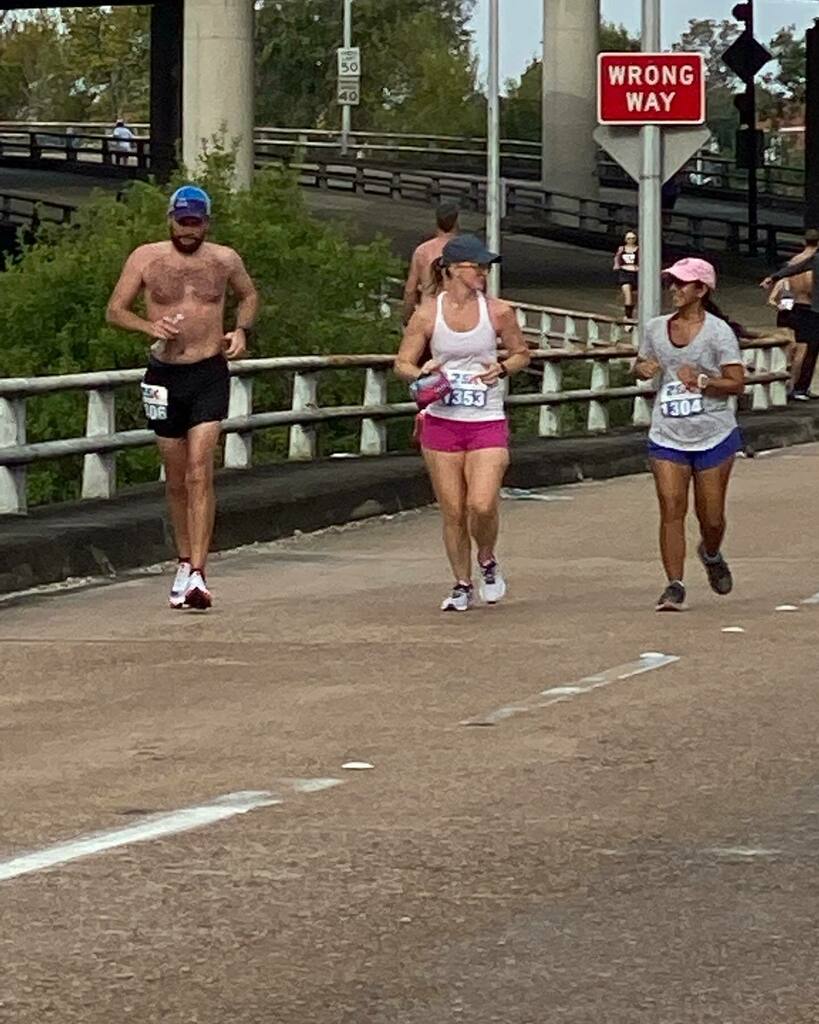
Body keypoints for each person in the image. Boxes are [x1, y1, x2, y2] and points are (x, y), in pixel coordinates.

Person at [106, 185, 259, 610]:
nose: (187, 230)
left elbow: (249, 295)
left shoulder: (224, 260)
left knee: (199, 471)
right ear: (170, 219)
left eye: (195, 223)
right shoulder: (146, 258)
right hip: (163, 374)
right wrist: (147, 327)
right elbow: (114, 309)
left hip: (209, 370)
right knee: (175, 477)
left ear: (206, 223)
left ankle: (199, 573)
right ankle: (182, 560)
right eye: (181, 221)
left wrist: (241, 330)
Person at [394, 234, 530, 612]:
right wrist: (421, 370)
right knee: (453, 510)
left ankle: (487, 559)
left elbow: (522, 353)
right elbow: (402, 364)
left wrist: (502, 368)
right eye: (477, 267)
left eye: (486, 267)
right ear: (452, 269)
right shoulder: (427, 313)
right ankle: (461, 582)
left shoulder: (499, 311)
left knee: (482, 504)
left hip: (485, 418)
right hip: (441, 420)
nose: (484, 273)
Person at [633, 257, 745, 612]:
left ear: (701, 290)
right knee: (671, 507)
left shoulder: (718, 333)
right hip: (668, 433)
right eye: (672, 283)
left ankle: (710, 553)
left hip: (713, 434)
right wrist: (641, 368)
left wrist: (703, 381)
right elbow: (642, 364)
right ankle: (674, 585)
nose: (674, 290)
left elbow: (737, 384)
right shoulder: (655, 328)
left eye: (682, 284)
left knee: (710, 517)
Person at [761, 229, 819, 400]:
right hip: (809, 307)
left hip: (792, 306)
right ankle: (799, 387)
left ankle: (791, 385)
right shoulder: (813, 261)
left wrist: (772, 278)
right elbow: (809, 286)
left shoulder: (794, 261)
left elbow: (786, 280)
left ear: (803, 241)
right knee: (806, 350)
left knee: (794, 348)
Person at [402, 201, 460, 325]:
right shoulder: (467, 250)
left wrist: (407, 319)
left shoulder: (423, 251)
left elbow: (410, 290)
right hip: (457, 315)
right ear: (456, 223)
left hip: (429, 313)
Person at [613, 229, 639, 327]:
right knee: (628, 295)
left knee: (634, 297)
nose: (631, 240)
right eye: (628, 238)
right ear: (625, 239)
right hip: (624, 273)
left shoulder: (639, 249)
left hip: (635, 274)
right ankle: (628, 319)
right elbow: (617, 257)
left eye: (633, 238)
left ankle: (631, 313)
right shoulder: (621, 249)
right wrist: (616, 265)